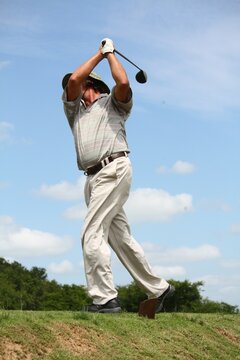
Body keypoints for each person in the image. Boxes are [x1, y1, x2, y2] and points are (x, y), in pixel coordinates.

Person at [62, 38, 174, 313]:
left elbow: (123, 84)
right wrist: (100, 53)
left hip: (113, 170)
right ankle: (159, 289)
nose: (71, 87)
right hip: (91, 179)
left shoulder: (114, 103)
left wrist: (109, 55)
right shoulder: (74, 110)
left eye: (80, 83)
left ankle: (104, 299)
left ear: (93, 85)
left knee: (92, 232)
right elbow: (75, 78)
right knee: (119, 237)